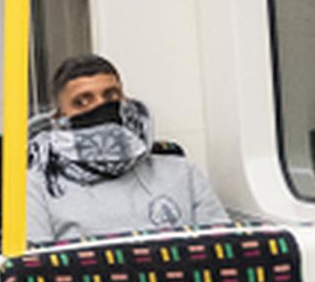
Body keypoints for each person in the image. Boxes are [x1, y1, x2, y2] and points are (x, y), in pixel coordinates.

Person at [26, 54, 230, 244]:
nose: (100, 109)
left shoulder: (183, 174)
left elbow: (222, 250)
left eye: (111, 97)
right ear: (58, 120)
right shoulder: (37, 187)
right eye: (81, 102)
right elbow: (36, 270)